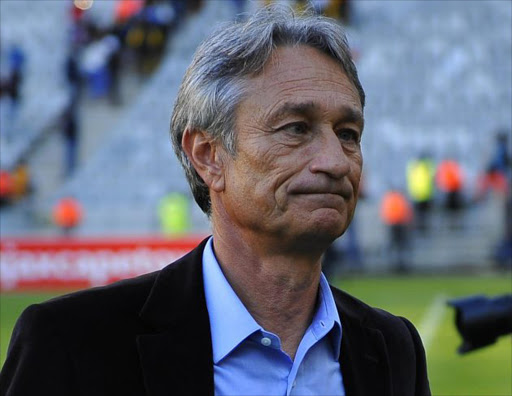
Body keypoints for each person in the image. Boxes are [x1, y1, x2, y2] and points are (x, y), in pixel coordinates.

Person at [0, 6, 431, 396]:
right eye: (296, 128)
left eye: (348, 134)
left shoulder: (394, 348)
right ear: (208, 156)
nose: (335, 161)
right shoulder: (70, 345)